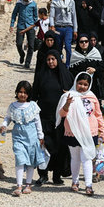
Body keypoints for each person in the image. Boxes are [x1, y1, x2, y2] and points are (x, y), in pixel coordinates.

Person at [56, 72, 104, 196]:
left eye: (85, 84)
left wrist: (102, 131)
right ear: (75, 82)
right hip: (73, 131)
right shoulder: (68, 96)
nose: (82, 86)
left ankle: (88, 185)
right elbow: (61, 114)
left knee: (87, 158)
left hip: (90, 132)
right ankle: (75, 182)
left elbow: (98, 115)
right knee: (75, 158)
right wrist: (67, 104)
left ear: (89, 85)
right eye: (80, 83)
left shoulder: (93, 97)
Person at [32, 50, 73, 185]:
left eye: (53, 59)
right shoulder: (41, 75)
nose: (50, 62)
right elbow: (34, 95)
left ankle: (57, 175)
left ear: (58, 59)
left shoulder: (66, 75)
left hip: (61, 118)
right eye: (48, 59)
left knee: (60, 147)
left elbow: (74, 94)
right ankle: (43, 174)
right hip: (44, 116)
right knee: (43, 146)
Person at [0, 81, 44, 196]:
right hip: (18, 136)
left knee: (30, 161)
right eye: (20, 92)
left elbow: (37, 121)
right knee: (19, 159)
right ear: (17, 92)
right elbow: (8, 118)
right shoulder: (12, 106)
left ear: (29, 94)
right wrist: (4, 125)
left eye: (25, 92)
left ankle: (28, 184)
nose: (22, 95)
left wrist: (40, 136)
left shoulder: (33, 106)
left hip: (32, 136)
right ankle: (19, 185)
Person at [69, 33, 104, 100]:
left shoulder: (95, 52)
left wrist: (95, 69)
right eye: (81, 42)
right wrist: (83, 74)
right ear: (78, 43)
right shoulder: (74, 55)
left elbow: (102, 67)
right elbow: (71, 71)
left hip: (94, 85)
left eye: (86, 41)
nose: (84, 43)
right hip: (80, 86)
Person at [49, 0, 78, 67]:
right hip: (58, 27)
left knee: (68, 47)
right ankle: (59, 64)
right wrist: (52, 25)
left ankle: (68, 65)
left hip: (68, 27)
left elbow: (74, 16)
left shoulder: (71, 2)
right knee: (58, 46)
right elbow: (51, 15)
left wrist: (75, 29)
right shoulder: (55, 2)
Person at [10, 0, 38, 69]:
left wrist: (36, 27)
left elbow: (35, 16)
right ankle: (22, 54)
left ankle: (27, 62)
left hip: (31, 26)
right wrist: (12, 24)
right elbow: (14, 14)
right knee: (18, 44)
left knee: (31, 46)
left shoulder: (33, 4)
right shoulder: (19, 4)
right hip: (21, 26)